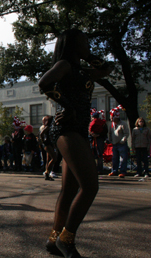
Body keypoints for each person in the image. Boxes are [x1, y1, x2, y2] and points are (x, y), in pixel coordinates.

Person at [39, 29, 113, 257]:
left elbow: (107, 68)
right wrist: (68, 106)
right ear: (72, 44)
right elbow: (44, 82)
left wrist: (89, 56)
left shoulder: (82, 70)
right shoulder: (64, 65)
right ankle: (66, 239)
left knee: (69, 189)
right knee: (90, 186)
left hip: (78, 130)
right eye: (84, 40)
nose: (88, 43)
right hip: (65, 129)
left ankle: (54, 240)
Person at [108, 111, 130, 178]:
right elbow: (110, 133)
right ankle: (114, 171)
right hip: (114, 144)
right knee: (114, 158)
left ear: (116, 117)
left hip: (121, 144)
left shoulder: (123, 124)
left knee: (123, 158)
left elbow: (126, 133)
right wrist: (110, 140)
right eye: (110, 117)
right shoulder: (111, 124)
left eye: (112, 117)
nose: (111, 119)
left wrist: (123, 140)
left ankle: (123, 171)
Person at [39, 116, 56, 181]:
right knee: (54, 158)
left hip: (50, 144)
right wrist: (43, 141)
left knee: (48, 159)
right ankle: (47, 172)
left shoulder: (51, 127)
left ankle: (47, 174)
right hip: (47, 144)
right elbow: (42, 134)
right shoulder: (48, 127)